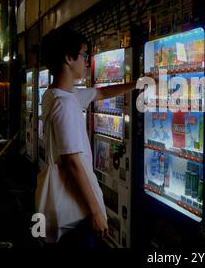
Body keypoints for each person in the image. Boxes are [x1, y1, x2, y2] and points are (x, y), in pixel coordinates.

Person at [35, 28, 137, 247]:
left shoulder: (54, 95)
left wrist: (137, 84)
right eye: (84, 55)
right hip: (76, 209)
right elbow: (72, 163)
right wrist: (97, 211)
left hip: (67, 206)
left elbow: (99, 93)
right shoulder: (65, 105)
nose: (88, 62)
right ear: (69, 58)